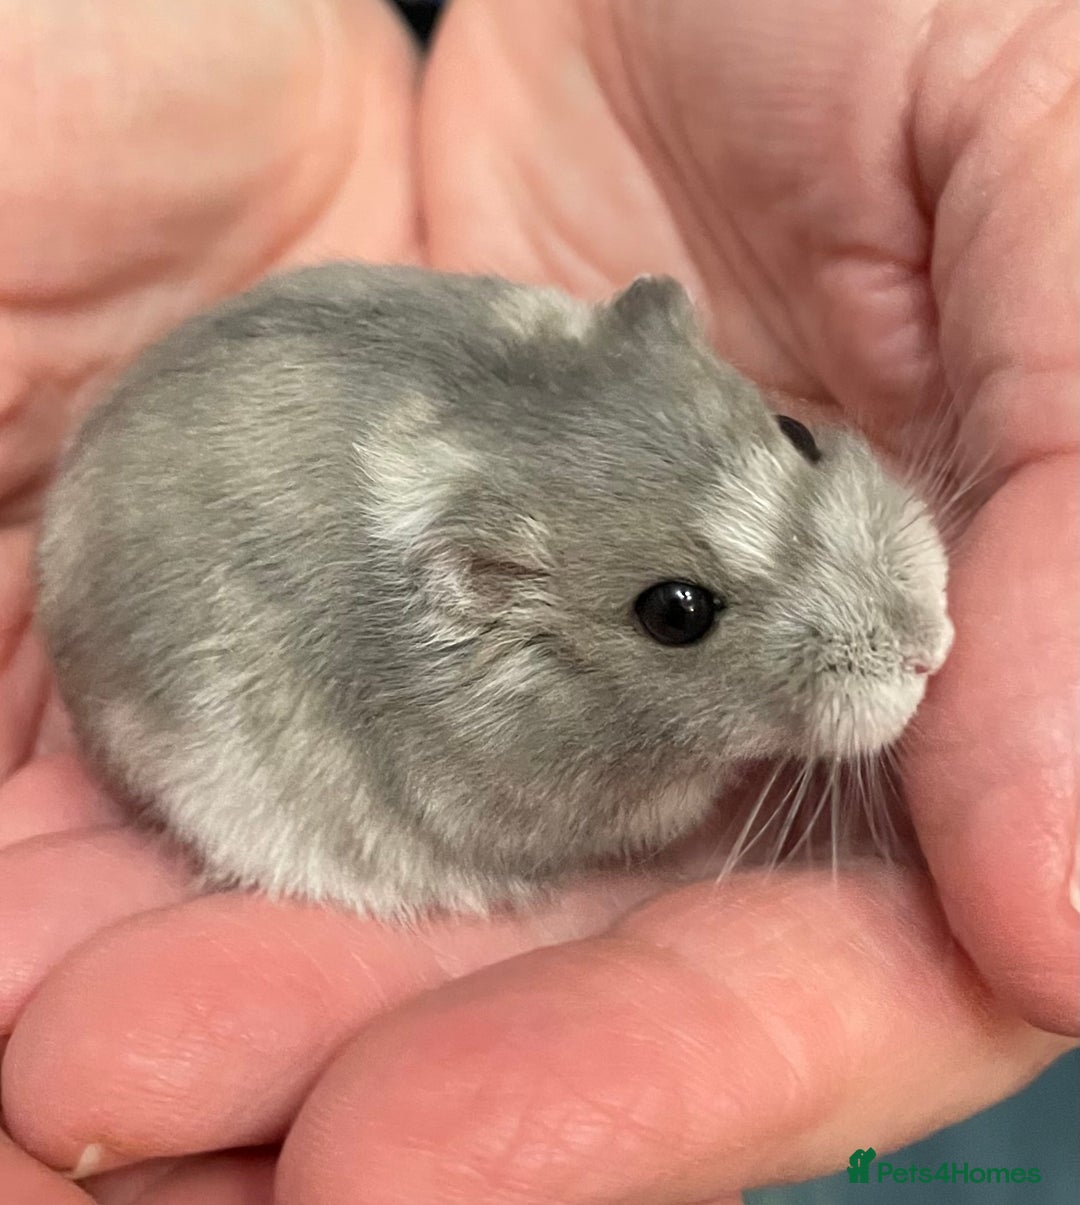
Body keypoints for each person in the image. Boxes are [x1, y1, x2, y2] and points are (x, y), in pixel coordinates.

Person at [0, 1, 1076, 1202]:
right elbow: (484, 793)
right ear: (483, 597)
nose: (906, 626)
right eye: (682, 609)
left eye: (792, 440)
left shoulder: (617, 347)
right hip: (182, 611)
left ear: (655, 341)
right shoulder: (481, 633)